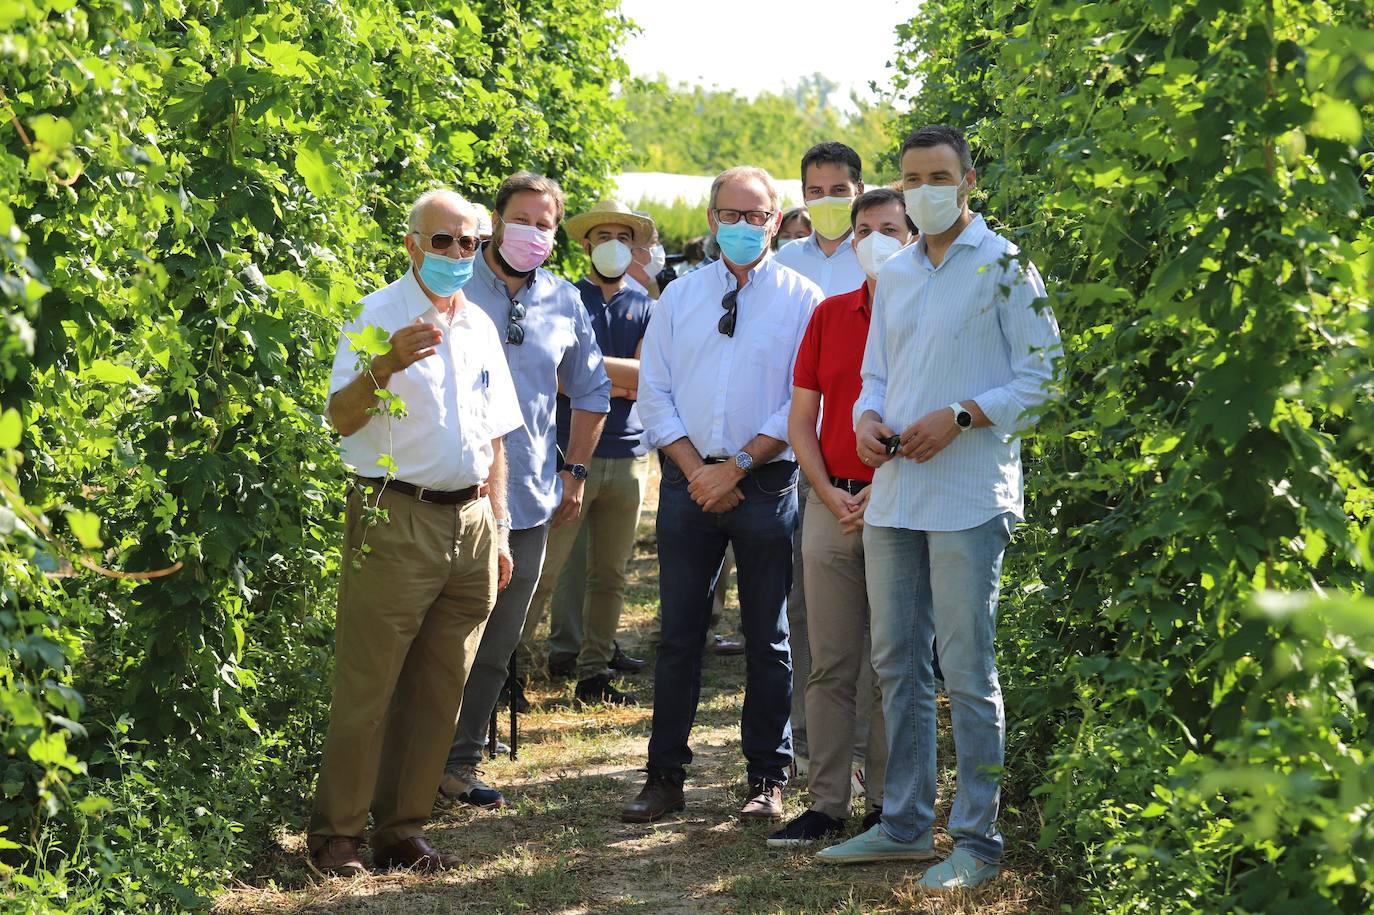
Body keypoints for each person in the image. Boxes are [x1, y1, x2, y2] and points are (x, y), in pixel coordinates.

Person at [818, 126, 1061, 891]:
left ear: (968, 181)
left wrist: (961, 414)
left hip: (967, 496)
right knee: (897, 663)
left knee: (966, 668)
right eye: (911, 176)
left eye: (938, 176)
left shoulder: (1004, 265)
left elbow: (1045, 376)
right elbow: (875, 376)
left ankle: (979, 842)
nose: (923, 188)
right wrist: (867, 418)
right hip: (895, 495)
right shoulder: (893, 274)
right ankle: (903, 822)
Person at [307, 189, 522, 875]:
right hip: (394, 514)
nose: (459, 254)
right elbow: (341, 417)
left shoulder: (481, 325)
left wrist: (502, 524)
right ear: (411, 245)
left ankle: (401, 827)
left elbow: (494, 438)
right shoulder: (377, 315)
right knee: (369, 682)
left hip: (471, 521)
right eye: (444, 241)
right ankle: (336, 833)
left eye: (471, 243)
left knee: (440, 686)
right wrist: (387, 363)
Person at [623, 166, 822, 825]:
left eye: (756, 215)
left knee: (768, 636)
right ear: (711, 219)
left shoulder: (802, 298)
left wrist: (735, 467)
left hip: (764, 484)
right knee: (679, 635)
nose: (743, 226)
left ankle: (768, 776)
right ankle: (663, 779)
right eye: (730, 214)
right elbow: (655, 391)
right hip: (687, 485)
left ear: (775, 220)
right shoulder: (677, 298)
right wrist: (694, 468)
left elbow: (801, 400)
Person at [438, 171, 611, 810]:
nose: (533, 233)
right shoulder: (453, 282)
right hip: (446, 491)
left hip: (529, 501)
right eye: (522, 219)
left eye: (545, 224)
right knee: (436, 637)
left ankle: (457, 766)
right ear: (494, 221)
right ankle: (402, 764)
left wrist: (576, 472)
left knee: (497, 641)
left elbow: (592, 391)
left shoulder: (565, 302)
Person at [768, 188, 912, 848]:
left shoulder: (926, 318)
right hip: (832, 501)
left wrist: (880, 492)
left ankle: (887, 804)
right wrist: (826, 493)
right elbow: (802, 419)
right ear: (852, 242)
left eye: (889, 228)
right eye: (865, 229)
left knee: (892, 662)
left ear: (912, 237)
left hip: (902, 505)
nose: (876, 238)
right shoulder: (828, 316)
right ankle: (825, 802)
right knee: (828, 661)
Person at [516, 200, 655, 705]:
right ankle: (512, 666)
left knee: (611, 574)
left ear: (634, 245)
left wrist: (587, 377)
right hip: (569, 452)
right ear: (586, 243)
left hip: (628, 454)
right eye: (603, 235)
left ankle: (594, 671)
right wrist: (602, 381)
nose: (613, 243)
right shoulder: (562, 300)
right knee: (544, 570)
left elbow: (646, 380)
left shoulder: (646, 307)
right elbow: (551, 374)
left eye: (623, 235)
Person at [770, 141, 868, 776]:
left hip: (881, 465)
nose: (827, 201)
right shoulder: (786, 264)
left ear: (859, 190)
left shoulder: (884, 258)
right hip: (808, 464)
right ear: (801, 198)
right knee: (809, 609)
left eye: (839, 190)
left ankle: (867, 750)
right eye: (815, 191)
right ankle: (813, 743)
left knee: (878, 615)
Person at [625, 218, 675, 298]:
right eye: (654, 242)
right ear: (633, 249)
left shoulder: (647, 288)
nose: (659, 246)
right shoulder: (618, 296)